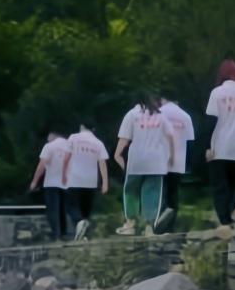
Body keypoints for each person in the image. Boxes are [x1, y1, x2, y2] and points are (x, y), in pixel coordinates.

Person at [114, 93, 177, 233]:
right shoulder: (160, 115)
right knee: (153, 193)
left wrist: (117, 154)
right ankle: (149, 226)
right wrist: (172, 156)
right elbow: (171, 136)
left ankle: (131, 223)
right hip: (156, 161)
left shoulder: (132, 114)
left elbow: (124, 138)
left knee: (131, 191)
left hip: (137, 160)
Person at [204, 58, 235, 227]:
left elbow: (211, 121)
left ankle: (225, 220)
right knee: (234, 181)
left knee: (220, 185)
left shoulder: (217, 93)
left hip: (221, 144)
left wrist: (207, 146)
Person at [64, 122, 109, 238]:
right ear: (93, 129)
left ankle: (79, 222)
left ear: (82, 126)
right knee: (86, 210)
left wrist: (63, 174)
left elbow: (66, 157)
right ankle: (84, 235)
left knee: (71, 206)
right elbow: (102, 163)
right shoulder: (98, 142)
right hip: (90, 181)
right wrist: (105, 183)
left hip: (74, 179)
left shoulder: (73, 138)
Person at [159, 96, 196, 233]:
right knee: (173, 194)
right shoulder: (185, 116)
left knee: (158, 193)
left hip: (157, 161)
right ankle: (170, 226)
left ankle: (156, 224)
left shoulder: (157, 114)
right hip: (178, 162)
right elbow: (190, 140)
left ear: (163, 98)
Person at [27, 129, 72, 239]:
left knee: (53, 209)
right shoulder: (70, 146)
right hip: (67, 183)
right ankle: (64, 233)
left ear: (53, 134)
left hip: (52, 182)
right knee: (63, 209)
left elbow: (41, 165)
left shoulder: (49, 146)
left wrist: (34, 182)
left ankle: (55, 233)